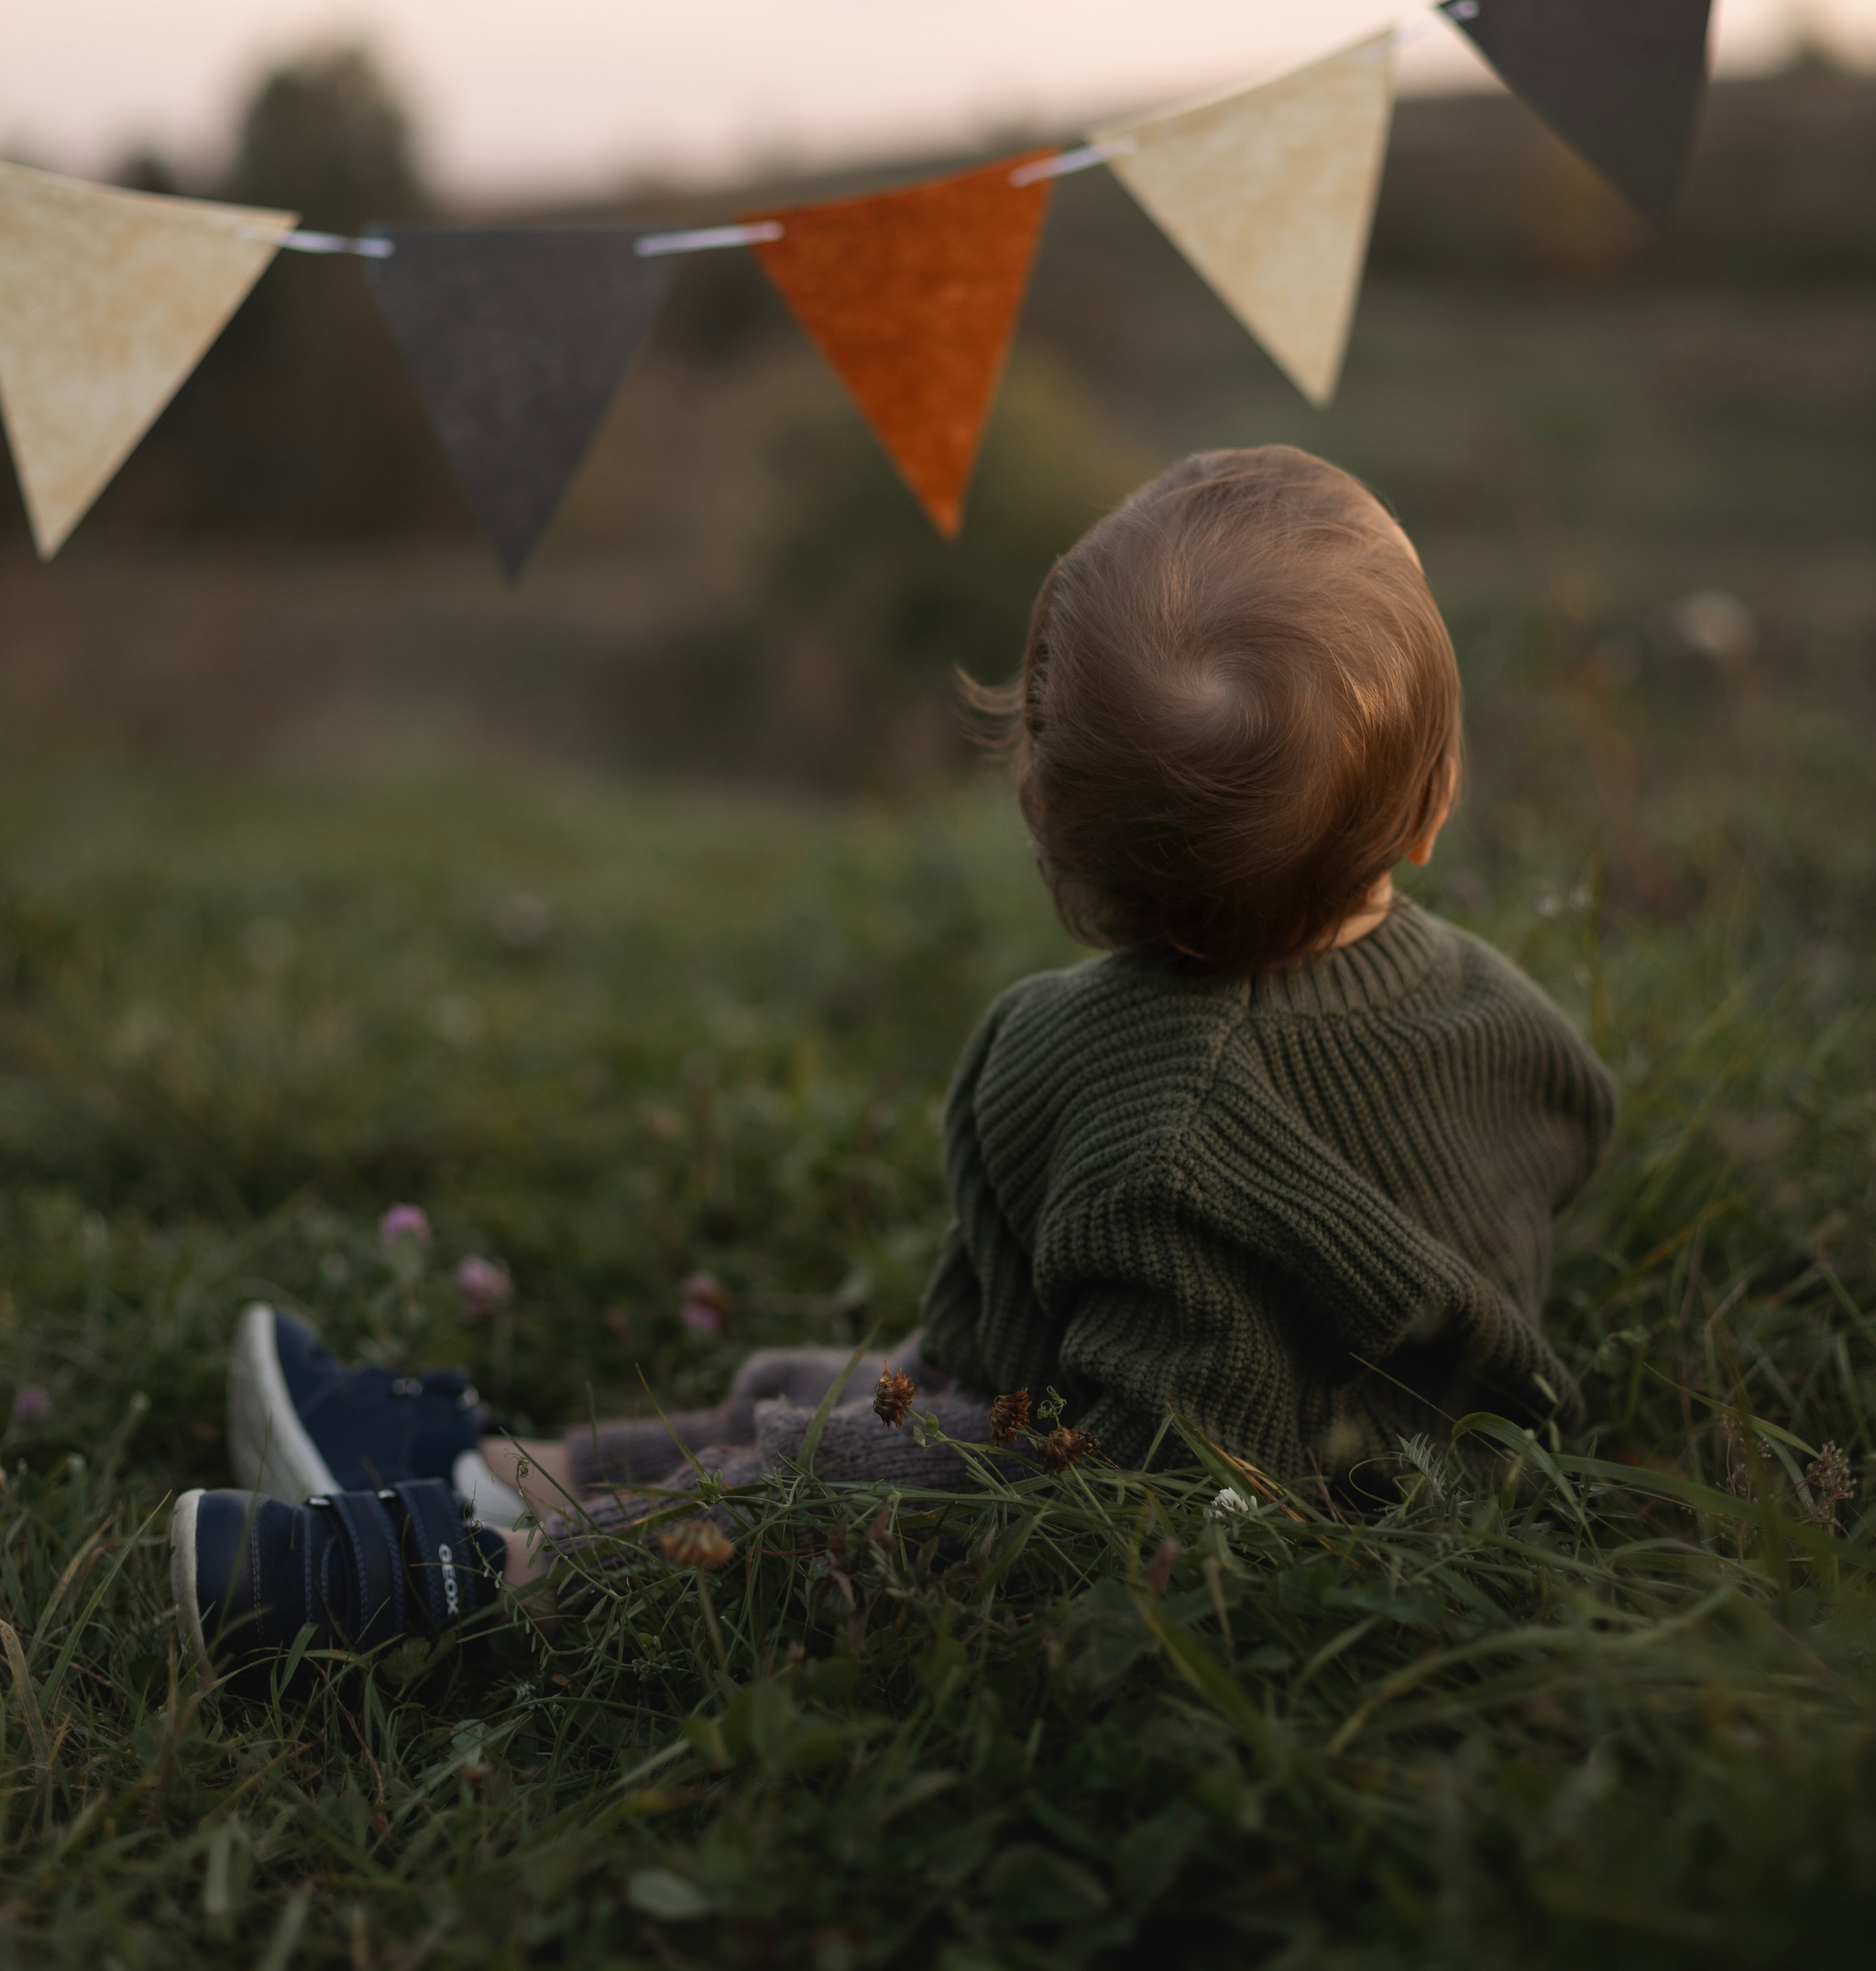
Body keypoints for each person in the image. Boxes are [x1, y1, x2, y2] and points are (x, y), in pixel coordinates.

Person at [171, 446, 1617, 1680]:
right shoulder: (1522, 1030)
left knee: (826, 1472)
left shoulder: (1087, 1067)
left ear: (1048, 822)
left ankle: (487, 1579)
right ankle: (497, 1474)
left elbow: (1023, 1406)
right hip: (1396, 1481)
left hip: (1140, 1531)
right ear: (1428, 803)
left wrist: (931, 1442)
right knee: (816, 1403)